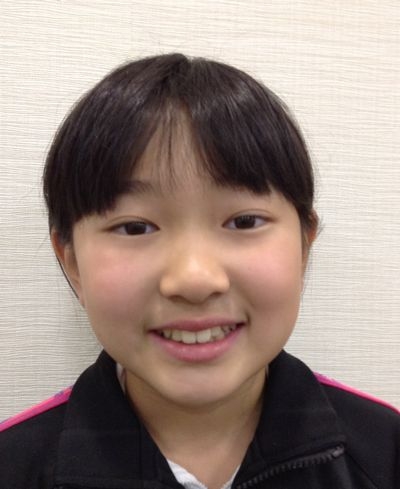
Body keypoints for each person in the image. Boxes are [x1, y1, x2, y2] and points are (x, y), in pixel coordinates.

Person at [0, 53, 398, 489]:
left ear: (304, 246)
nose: (194, 279)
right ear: (72, 262)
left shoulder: (386, 451)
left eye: (244, 221)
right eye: (135, 227)